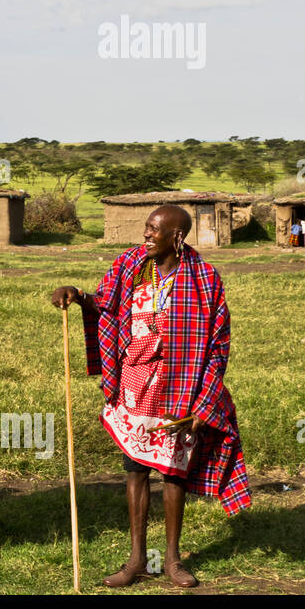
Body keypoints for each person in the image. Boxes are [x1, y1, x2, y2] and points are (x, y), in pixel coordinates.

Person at [51, 205, 250, 589]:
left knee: (173, 472)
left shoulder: (204, 279)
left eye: (153, 230)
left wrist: (204, 402)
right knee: (136, 469)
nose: (145, 236)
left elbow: (217, 345)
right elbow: (105, 303)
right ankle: (137, 560)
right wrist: (76, 294)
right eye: (145, 228)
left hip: (180, 387)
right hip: (135, 385)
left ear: (176, 236)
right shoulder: (130, 264)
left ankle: (173, 560)